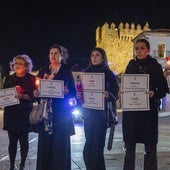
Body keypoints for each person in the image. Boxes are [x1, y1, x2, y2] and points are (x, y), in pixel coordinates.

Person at [122, 39, 169, 170]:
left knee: (149, 147)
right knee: (129, 147)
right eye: (136, 48)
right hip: (131, 113)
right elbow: (127, 84)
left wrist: (154, 93)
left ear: (148, 50)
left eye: (142, 48)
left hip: (148, 113)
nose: (139, 51)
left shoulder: (156, 66)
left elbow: (164, 89)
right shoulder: (131, 65)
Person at [33, 44, 76, 170]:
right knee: (45, 145)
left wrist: (67, 92)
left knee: (60, 145)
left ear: (61, 56)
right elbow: (37, 91)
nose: (53, 55)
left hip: (61, 114)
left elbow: (73, 92)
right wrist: (36, 94)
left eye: (56, 53)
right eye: (51, 53)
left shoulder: (66, 70)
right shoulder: (43, 71)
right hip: (45, 114)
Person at [80, 47, 119, 170]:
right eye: (92, 55)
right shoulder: (85, 73)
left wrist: (109, 95)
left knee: (97, 147)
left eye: (97, 55)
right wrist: (80, 94)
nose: (94, 57)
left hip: (102, 115)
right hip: (88, 114)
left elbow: (115, 94)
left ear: (103, 58)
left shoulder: (109, 74)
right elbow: (80, 90)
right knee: (88, 147)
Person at [3, 54, 36, 170]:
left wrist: (22, 96)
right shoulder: (8, 78)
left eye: (20, 63)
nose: (17, 65)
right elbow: (3, 94)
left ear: (26, 66)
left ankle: (22, 165)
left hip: (24, 113)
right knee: (12, 141)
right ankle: (12, 165)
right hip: (11, 114)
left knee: (23, 141)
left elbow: (34, 97)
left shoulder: (31, 78)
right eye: (15, 63)